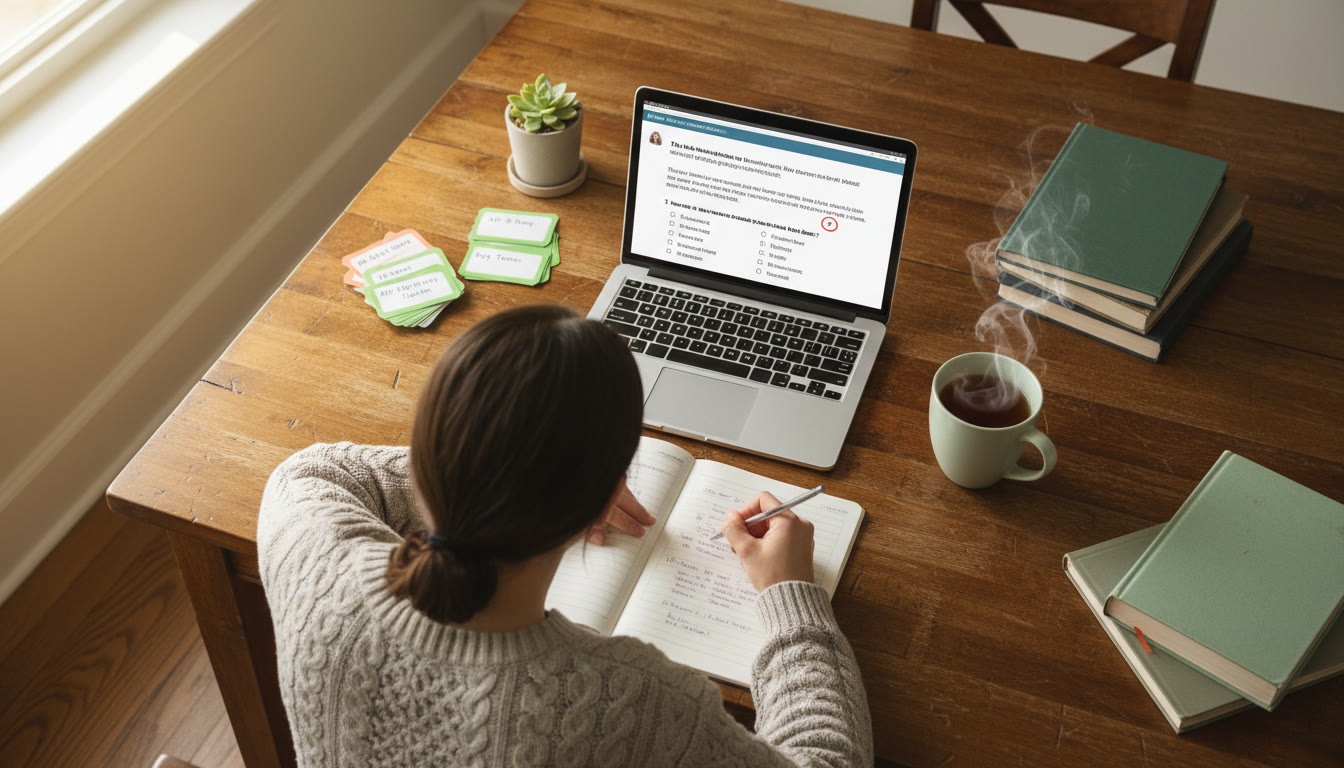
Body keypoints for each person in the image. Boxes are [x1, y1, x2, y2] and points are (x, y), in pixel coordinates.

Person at [258, 304, 872, 767]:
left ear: (425, 452)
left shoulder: (313, 564)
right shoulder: (633, 704)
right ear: (600, 499)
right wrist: (790, 596)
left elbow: (311, 471)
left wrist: (490, 467)